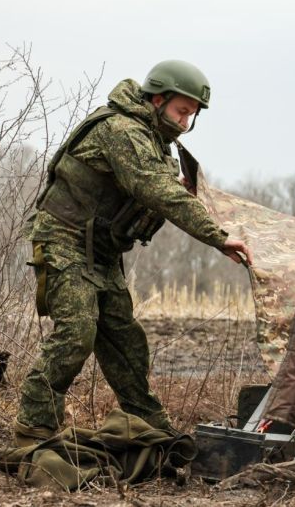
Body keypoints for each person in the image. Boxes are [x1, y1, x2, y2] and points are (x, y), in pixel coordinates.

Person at [14, 60, 253, 445]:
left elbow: (161, 191)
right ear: (158, 99)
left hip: (101, 253)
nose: (185, 123)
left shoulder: (154, 141)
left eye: (191, 116)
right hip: (63, 241)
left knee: (126, 343)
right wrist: (217, 237)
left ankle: (150, 427)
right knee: (77, 333)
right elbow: (159, 191)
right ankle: (33, 429)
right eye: (181, 111)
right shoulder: (121, 131)